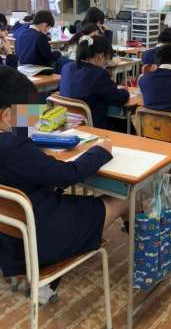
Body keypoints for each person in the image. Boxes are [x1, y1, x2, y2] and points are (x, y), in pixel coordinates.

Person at [0, 78, 131, 303]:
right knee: (126, 198)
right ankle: (152, 261)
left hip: (10, 235)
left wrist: (26, 138)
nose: (33, 120)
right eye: (27, 115)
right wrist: (101, 151)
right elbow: (65, 175)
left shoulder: (13, 142)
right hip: (41, 232)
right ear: (6, 115)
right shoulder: (13, 146)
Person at [60, 35, 129, 129]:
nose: (106, 64)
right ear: (100, 56)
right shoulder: (98, 74)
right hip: (94, 126)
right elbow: (119, 98)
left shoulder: (66, 68)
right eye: (107, 60)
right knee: (126, 125)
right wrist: (125, 91)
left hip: (67, 125)